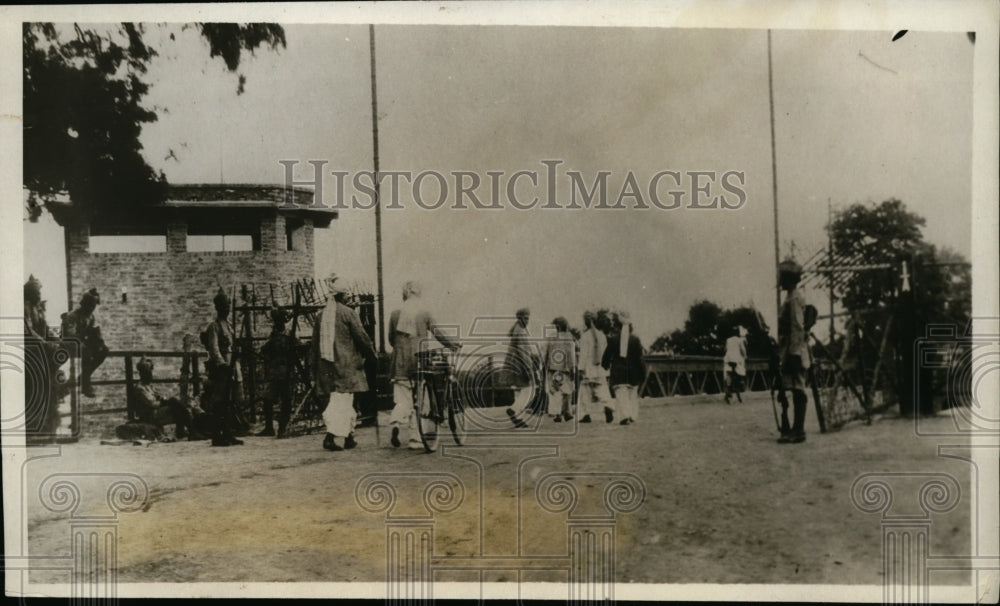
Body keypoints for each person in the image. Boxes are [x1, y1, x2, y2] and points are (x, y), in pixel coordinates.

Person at [387, 281, 461, 449]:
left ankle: (396, 424)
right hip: (420, 360)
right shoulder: (425, 314)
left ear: (404, 295)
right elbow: (438, 333)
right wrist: (452, 344)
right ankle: (415, 440)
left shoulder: (394, 314)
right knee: (421, 400)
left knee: (402, 399)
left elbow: (391, 339)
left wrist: (401, 349)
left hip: (399, 363)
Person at [312, 279, 377, 452]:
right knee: (341, 401)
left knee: (344, 401)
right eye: (346, 294)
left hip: (327, 367)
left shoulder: (321, 316)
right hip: (345, 365)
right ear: (342, 296)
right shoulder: (348, 313)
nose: (348, 297)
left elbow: (314, 345)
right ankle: (330, 437)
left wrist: (314, 367)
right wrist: (372, 356)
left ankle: (349, 437)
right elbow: (362, 338)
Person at [24, 275, 65, 438]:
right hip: (29, 350)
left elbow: (46, 328)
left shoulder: (38, 308)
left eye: (40, 291)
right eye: (37, 291)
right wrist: (45, 342)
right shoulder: (24, 307)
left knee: (60, 355)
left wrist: (58, 340)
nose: (40, 295)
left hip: (40, 349)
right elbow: (27, 330)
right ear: (30, 293)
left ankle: (48, 426)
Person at [203, 288, 243, 447]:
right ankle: (217, 436)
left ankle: (228, 433)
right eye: (224, 306)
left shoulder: (229, 325)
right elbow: (213, 348)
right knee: (220, 401)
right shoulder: (214, 326)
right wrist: (222, 364)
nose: (227, 309)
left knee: (230, 401)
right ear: (218, 308)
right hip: (222, 369)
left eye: (228, 306)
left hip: (232, 365)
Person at [777, 258, 810, 444]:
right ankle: (790, 429)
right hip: (787, 349)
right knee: (788, 387)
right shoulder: (790, 297)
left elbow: (797, 327)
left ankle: (799, 430)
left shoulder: (795, 298)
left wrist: (795, 353)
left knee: (797, 387)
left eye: (781, 275)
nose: (779, 279)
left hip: (793, 350)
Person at [130, 356, 193, 440]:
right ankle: (188, 430)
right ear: (142, 374)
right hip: (149, 415)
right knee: (175, 405)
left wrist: (164, 400)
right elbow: (153, 404)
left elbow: (159, 396)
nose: (150, 375)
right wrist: (165, 402)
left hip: (155, 412)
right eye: (148, 373)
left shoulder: (149, 386)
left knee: (176, 406)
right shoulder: (140, 388)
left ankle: (186, 430)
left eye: (150, 373)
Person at [61, 288, 108, 398]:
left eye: (94, 306)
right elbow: (70, 334)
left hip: (81, 342)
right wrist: (84, 341)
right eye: (91, 305)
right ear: (85, 304)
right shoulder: (72, 315)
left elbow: (89, 331)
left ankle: (83, 378)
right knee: (85, 351)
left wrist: (98, 340)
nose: (92, 308)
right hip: (68, 342)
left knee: (104, 350)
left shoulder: (90, 317)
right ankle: (86, 385)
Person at [258, 308, 298, 438]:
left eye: (279, 321)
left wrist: (291, 356)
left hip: (285, 371)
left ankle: (282, 428)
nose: (277, 323)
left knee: (285, 400)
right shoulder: (274, 334)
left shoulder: (289, 334)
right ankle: (269, 427)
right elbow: (266, 349)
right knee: (267, 398)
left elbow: (299, 349)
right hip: (273, 371)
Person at [602, 310, 646, 426]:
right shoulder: (635, 340)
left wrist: (605, 365)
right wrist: (642, 373)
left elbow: (606, 356)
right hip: (633, 372)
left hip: (618, 372)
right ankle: (632, 416)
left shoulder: (613, 339)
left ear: (617, 325)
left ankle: (624, 416)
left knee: (621, 395)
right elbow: (639, 358)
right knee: (632, 395)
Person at [505, 308, 542, 428]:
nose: (527, 320)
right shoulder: (520, 331)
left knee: (520, 390)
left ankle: (519, 418)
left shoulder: (516, 329)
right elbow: (523, 351)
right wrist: (528, 367)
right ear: (520, 318)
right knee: (529, 390)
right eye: (525, 318)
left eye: (528, 318)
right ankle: (514, 410)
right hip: (521, 364)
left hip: (514, 364)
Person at [578, 311, 613, 423]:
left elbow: (583, 355)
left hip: (588, 369)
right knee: (602, 390)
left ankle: (585, 414)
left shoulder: (585, 337)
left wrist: (580, 369)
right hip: (600, 368)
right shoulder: (602, 336)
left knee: (584, 392)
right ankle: (608, 406)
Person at [543, 317, 577, 422]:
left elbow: (546, 352)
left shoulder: (551, 338)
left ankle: (556, 413)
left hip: (553, 368)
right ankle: (567, 412)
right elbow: (571, 354)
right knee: (567, 390)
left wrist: (544, 366)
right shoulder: (569, 337)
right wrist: (573, 367)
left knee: (555, 391)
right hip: (565, 368)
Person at [723, 326, 747, 404]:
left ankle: (728, 393)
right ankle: (740, 385)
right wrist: (745, 356)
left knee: (728, 376)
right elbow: (743, 350)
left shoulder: (728, 340)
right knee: (740, 374)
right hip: (736, 360)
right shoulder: (739, 340)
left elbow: (725, 349)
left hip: (728, 359)